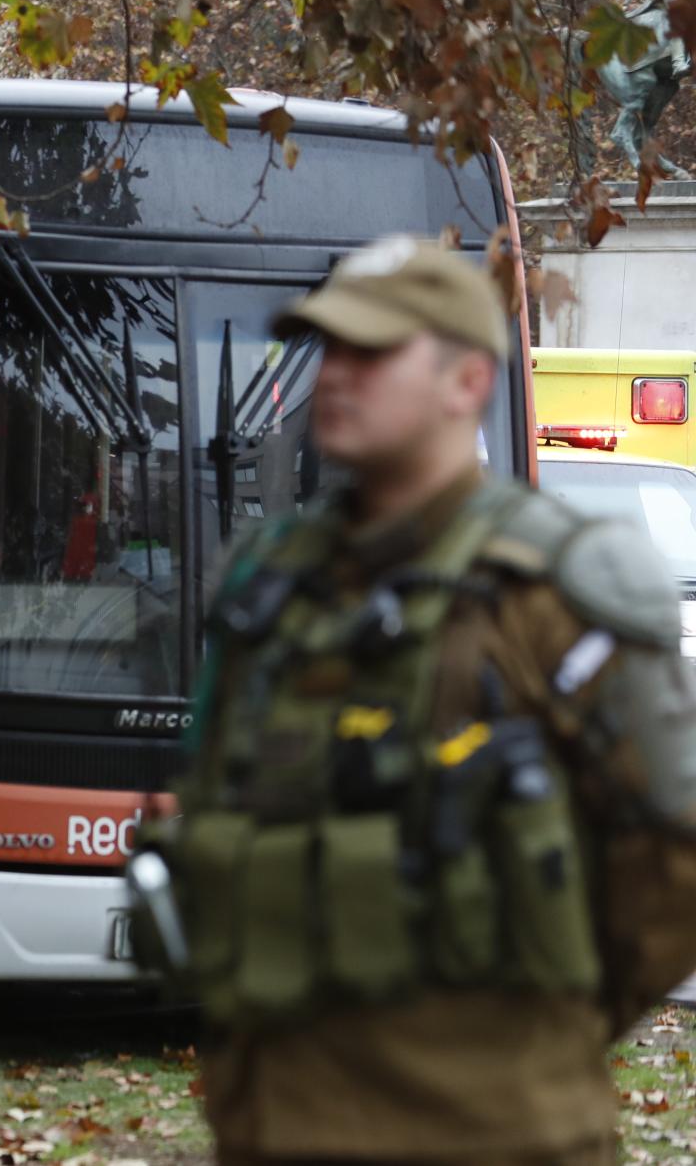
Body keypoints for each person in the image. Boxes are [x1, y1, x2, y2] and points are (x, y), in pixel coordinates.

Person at [138, 236, 696, 1165]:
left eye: (374, 351)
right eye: (331, 350)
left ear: (467, 381)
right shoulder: (271, 581)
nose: (338, 375)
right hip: (277, 1127)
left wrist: (539, 1023)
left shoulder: (559, 592)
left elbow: (677, 860)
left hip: (495, 1132)